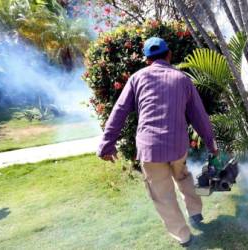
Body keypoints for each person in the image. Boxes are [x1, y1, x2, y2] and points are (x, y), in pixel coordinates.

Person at [97, 37, 218, 247]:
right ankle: (195, 212)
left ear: (147, 60)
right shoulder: (182, 79)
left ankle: (183, 235)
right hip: (177, 146)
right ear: (169, 54)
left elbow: (119, 112)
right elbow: (199, 115)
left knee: (162, 194)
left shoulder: (137, 78)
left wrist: (107, 145)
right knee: (182, 175)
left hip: (150, 149)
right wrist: (211, 144)